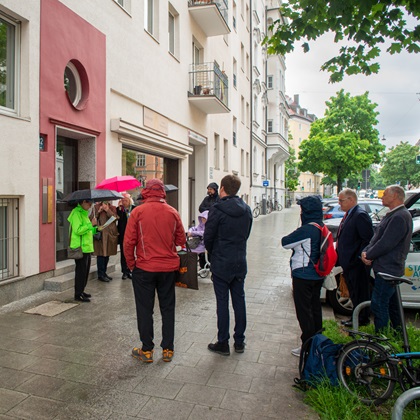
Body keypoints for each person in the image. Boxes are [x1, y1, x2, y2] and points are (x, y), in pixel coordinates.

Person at [124, 178, 186, 363]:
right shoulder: (172, 212)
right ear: (162, 193)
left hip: (144, 268)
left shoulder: (138, 212)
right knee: (168, 308)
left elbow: (128, 242)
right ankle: (168, 349)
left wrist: (131, 265)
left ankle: (147, 350)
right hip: (168, 269)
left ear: (146, 192)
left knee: (144, 309)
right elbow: (181, 240)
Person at [204, 175, 253, 355]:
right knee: (239, 300)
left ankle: (223, 342)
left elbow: (208, 237)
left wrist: (213, 252)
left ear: (222, 188)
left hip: (221, 261)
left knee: (222, 302)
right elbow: (247, 233)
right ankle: (239, 341)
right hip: (239, 260)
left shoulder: (217, 209)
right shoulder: (246, 209)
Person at [361, 185, 412, 333]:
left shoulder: (399, 216)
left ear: (395, 196)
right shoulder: (394, 214)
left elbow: (386, 243)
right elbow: (376, 238)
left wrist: (369, 255)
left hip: (388, 269)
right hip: (386, 267)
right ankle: (397, 334)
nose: (381, 197)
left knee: (379, 304)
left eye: (384, 194)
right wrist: (366, 252)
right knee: (392, 305)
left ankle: (381, 341)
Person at [282, 195, 325, 357]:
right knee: (315, 309)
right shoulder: (321, 226)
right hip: (318, 275)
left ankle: (307, 346)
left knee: (304, 312)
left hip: (303, 275)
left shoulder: (307, 229)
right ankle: (316, 342)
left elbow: (285, 242)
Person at [336, 188, 374, 327]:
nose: (339, 203)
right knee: (354, 293)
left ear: (351, 200)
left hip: (356, 264)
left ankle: (362, 319)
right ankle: (356, 318)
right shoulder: (350, 214)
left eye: (341, 200)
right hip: (349, 263)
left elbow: (367, 240)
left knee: (360, 292)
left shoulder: (360, 215)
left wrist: (357, 258)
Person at [68, 199, 101, 302]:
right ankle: (78, 294)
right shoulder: (76, 213)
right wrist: (90, 224)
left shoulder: (84, 213)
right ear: (82, 202)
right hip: (80, 247)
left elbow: (88, 230)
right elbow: (78, 230)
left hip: (86, 247)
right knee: (80, 272)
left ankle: (81, 290)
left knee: (85, 272)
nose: (90, 205)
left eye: (91, 203)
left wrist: (96, 228)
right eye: (88, 203)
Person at [92, 201, 119, 282]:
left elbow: (115, 218)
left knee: (107, 254)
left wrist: (107, 210)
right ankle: (100, 274)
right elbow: (92, 219)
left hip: (110, 234)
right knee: (101, 254)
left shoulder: (112, 208)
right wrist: (98, 212)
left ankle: (104, 272)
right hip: (100, 235)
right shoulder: (96, 207)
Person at [117, 193, 136, 279]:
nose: (125, 202)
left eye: (126, 200)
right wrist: (120, 208)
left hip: (133, 234)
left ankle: (130, 270)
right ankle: (124, 271)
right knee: (123, 253)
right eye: (123, 200)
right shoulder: (120, 209)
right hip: (123, 234)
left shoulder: (134, 209)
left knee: (131, 253)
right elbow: (118, 219)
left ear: (129, 201)